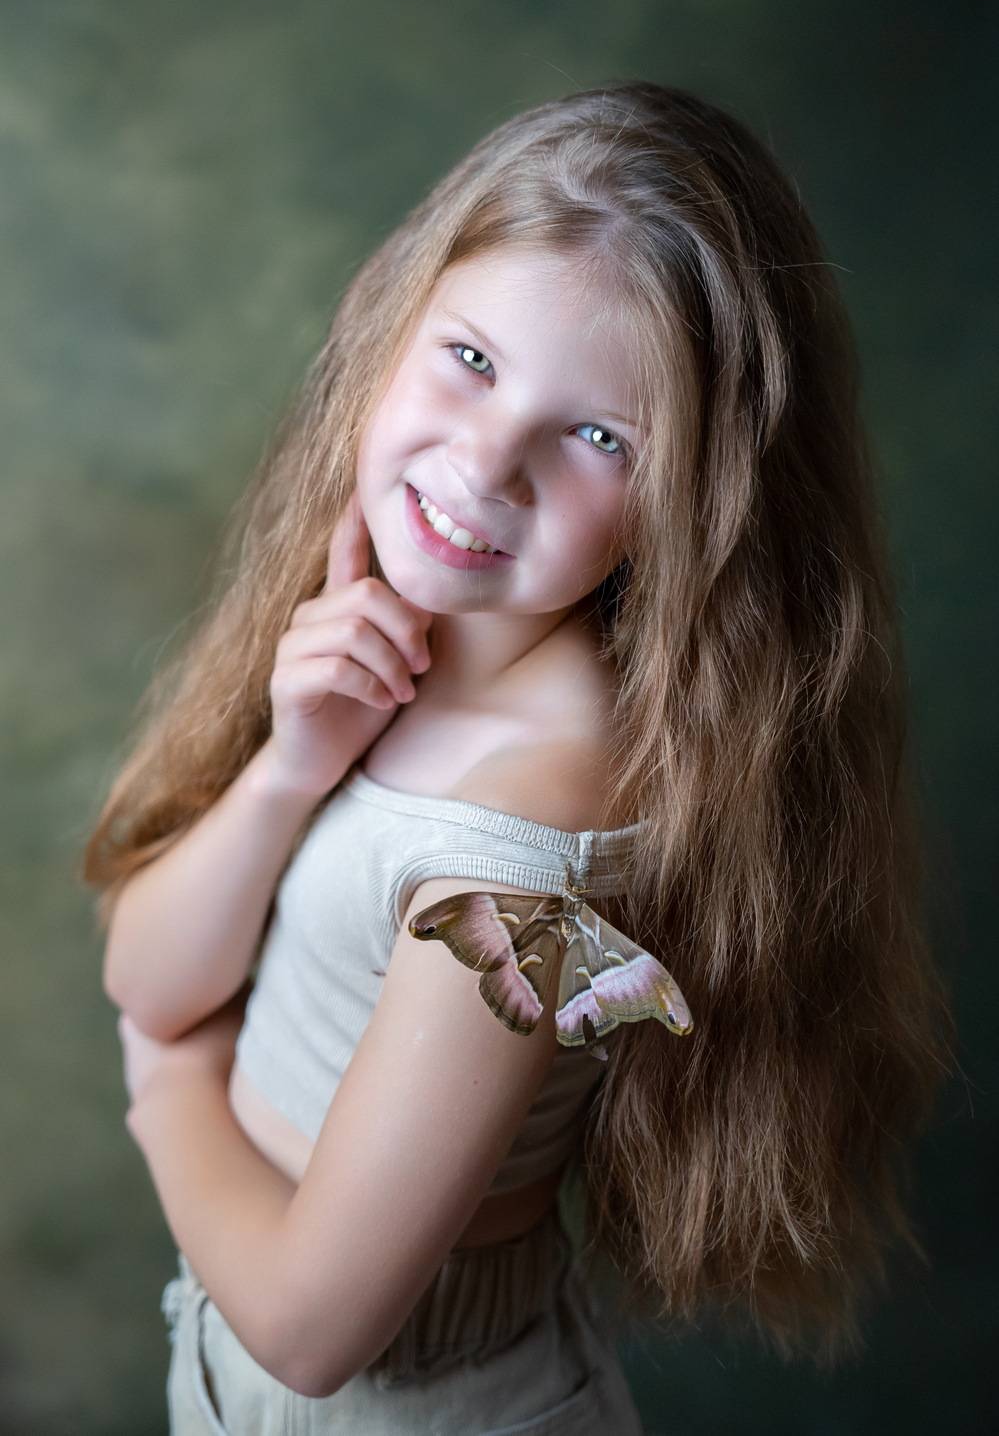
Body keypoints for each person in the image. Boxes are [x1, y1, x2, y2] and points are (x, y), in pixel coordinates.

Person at [82, 80, 954, 1433]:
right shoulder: (390, 645)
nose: (488, 463)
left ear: (696, 501)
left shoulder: (523, 859)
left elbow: (313, 1329)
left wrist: (166, 1084)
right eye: (472, 360)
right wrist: (293, 766)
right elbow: (146, 970)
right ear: (392, 317)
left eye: (599, 436)